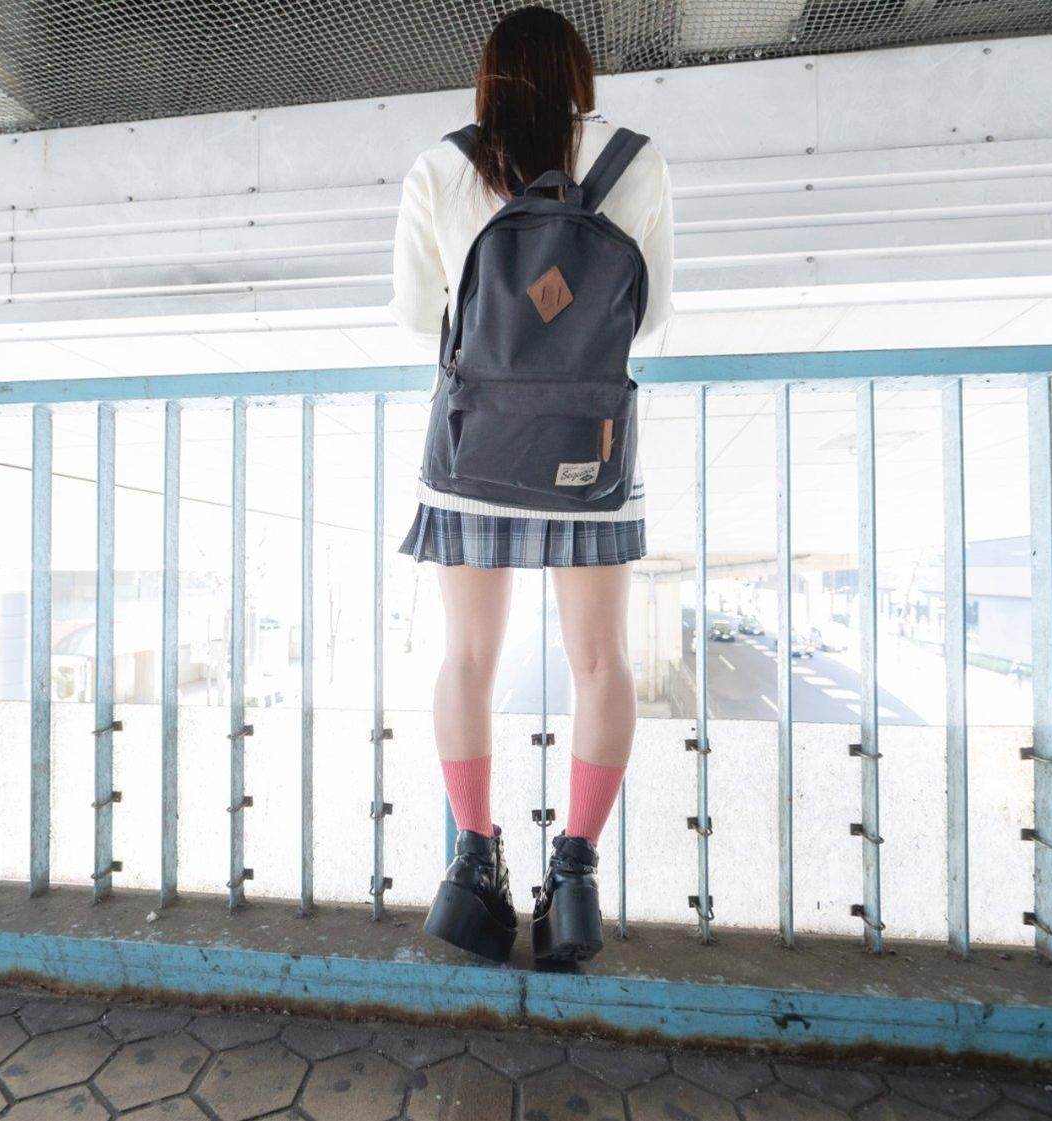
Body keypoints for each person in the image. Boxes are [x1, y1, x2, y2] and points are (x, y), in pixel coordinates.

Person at [386, 5, 675, 965]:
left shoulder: (440, 168)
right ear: (580, 77)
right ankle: (576, 873)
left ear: (489, 79)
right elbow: (652, 319)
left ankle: (474, 861)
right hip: (591, 451)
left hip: (474, 454)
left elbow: (416, 316)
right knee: (601, 663)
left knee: (468, 658)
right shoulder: (634, 162)